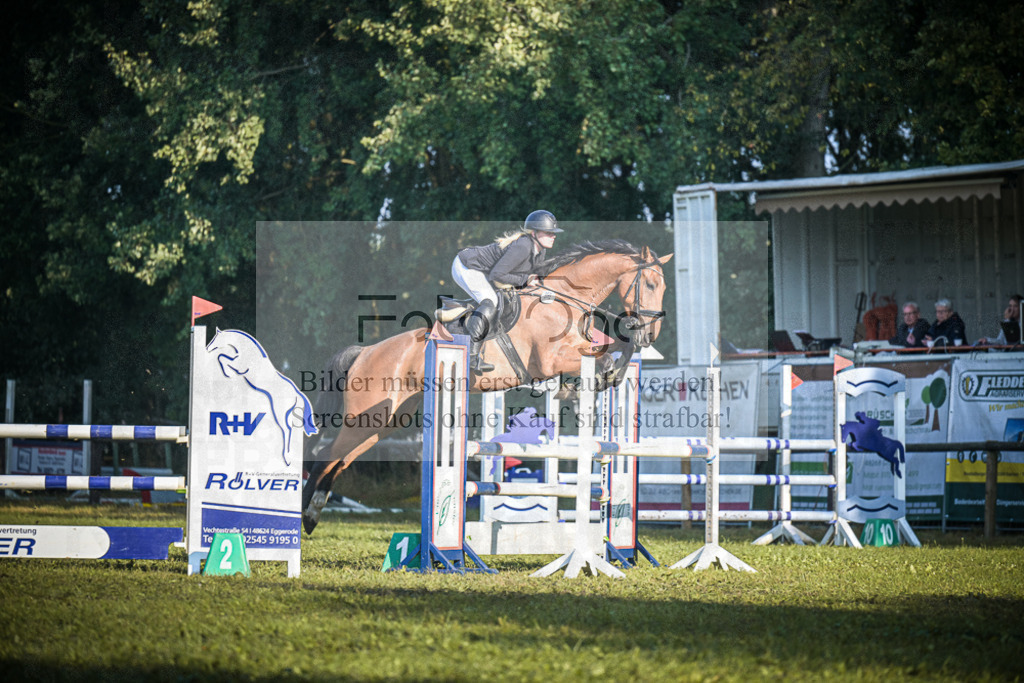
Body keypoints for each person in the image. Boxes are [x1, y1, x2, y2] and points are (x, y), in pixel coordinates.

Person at [451, 210, 562, 371]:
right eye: (548, 232)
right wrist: (525, 280)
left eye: (553, 233)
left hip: (485, 271)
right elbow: (498, 275)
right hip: (466, 266)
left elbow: (532, 278)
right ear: (534, 233)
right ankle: (471, 356)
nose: (553, 236)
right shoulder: (523, 246)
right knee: (491, 302)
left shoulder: (540, 250)